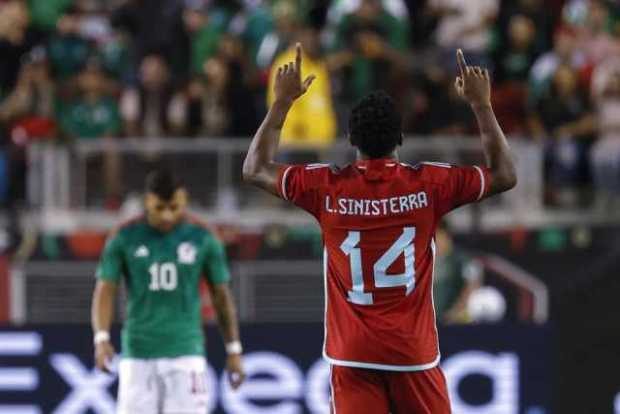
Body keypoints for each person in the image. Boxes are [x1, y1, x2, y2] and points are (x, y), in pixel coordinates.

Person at [243, 44, 516, 413]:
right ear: (400, 139)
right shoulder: (428, 185)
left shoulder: (326, 188)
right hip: (412, 354)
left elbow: (255, 168)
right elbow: (503, 175)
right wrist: (481, 104)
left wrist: (282, 102)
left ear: (351, 140)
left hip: (352, 356)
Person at [91, 168, 245, 414]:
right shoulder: (124, 236)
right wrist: (101, 338)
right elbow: (105, 289)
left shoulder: (203, 237)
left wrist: (234, 349)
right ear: (147, 201)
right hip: (138, 353)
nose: (167, 216)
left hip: (186, 352)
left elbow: (221, 296)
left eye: (174, 207)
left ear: (184, 201)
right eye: (159, 208)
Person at [433, 223, 483, 324]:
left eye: (438, 237)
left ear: (447, 237)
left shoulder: (462, 259)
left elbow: (473, 284)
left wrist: (456, 311)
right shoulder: (429, 260)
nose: (435, 243)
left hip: (454, 322)